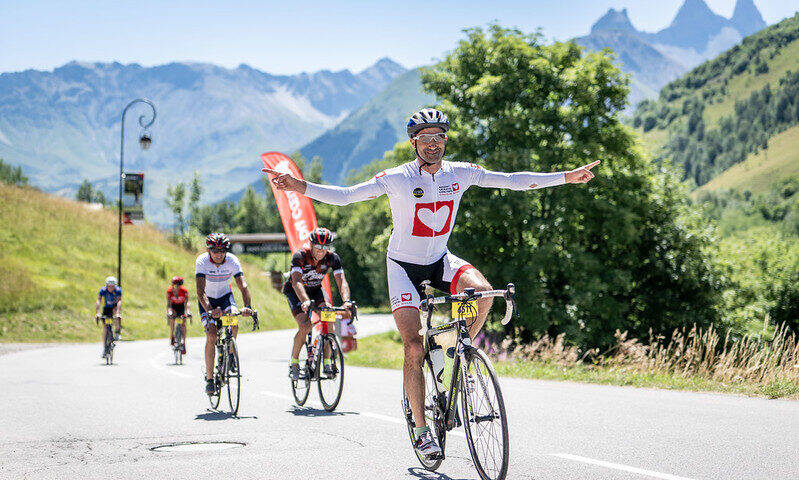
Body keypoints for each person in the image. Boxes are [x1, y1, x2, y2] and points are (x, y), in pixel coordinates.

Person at [264, 107, 599, 458]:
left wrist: (565, 177)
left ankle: (457, 352)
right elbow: (347, 195)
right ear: (414, 142)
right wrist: (298, 186)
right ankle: (423, 432)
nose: (432, 144)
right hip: (402, 267)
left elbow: (513, 180)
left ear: (445, 139)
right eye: (425, 138)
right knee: (413, 345)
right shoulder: (397, 177)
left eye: (438, 137)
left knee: (483, 293)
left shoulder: (461, 173)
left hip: (440, 259)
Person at [283, 227, 353, 380]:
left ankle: (327, 362)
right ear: (311, 244)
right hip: (296, 292)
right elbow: (296, 282)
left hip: (316, 290)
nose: (321, 251)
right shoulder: (300, 256)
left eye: (325, 247)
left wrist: (346, 301)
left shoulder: (332, 258)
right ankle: (294, 362)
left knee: (329, 318)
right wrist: (305, 301)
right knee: (306, 325)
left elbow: (341, 282)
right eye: (318, 247)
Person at [196, 232, 254, 395]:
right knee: (212, 336)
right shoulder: (202, 261)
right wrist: (209, 310)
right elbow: (200, 291)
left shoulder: (232, 260)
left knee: (233, 322)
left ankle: (229, 353)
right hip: (207, 300)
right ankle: (209, 378)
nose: (219, 254)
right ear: (209, 251)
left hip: (225, 298)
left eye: (222, 251)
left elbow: (242, 286)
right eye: (215, 251)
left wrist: (247, 306)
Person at [95, 276, 122, 354]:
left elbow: (119, 302)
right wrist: (97, 312)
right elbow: (98, 300)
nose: (110, 288)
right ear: (106, 285)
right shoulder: (103, 290)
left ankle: (117, 332)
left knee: (118, 317)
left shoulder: (118, 290)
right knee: (105, 328)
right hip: (106, 309)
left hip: (114, 308)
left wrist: (118, 313)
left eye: (112, 286)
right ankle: (104, 348)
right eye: (109, 286)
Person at [166, 276, 191, 354]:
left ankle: (183, 342)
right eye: (176, 285)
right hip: (173, 307)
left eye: (179, 285)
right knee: (172, 320)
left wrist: (189, 312)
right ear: (173, 285)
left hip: (181, 307)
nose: (177, 287)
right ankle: (172, 336)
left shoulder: (184, 291)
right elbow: (168, 304)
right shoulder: (169, 291)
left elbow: (187, 304)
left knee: (183, 323)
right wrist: (169, 312)